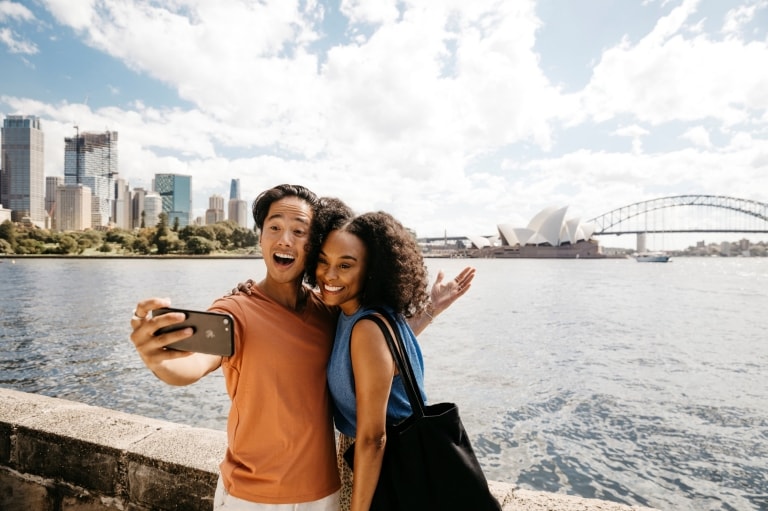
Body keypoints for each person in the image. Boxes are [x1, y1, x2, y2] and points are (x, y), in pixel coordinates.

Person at [129, 184, 474, 510]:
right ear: (261, 237)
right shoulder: (236, 310)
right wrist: (156, 357)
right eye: (274, 227)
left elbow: (378, 350)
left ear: (314, 243)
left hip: (324, 494)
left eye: (299, 230)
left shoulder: (328, 311)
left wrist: (430, 310)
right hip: (253, 497)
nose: (285, 239)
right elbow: (192, 364)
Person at [305, 209, 471, 511]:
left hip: (382, 465)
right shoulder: (361, 313)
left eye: (345, 265)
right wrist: (433, 308)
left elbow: (373, 438)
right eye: (323, 260)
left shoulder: (366, 327)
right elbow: (389, 358)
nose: (329, 275)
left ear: (370, 271)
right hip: (388, 459)